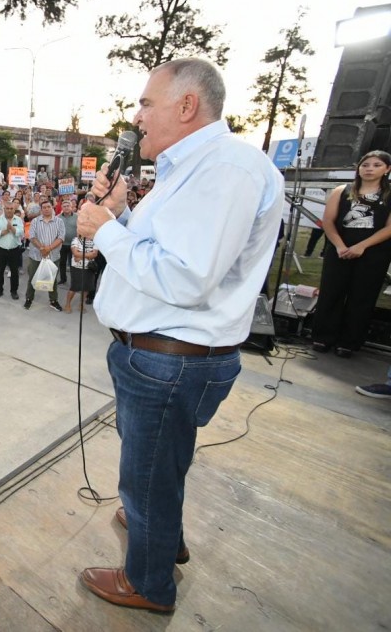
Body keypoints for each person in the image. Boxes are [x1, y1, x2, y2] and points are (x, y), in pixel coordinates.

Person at [75, 58, 283, 613]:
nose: (137, 116)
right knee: (160, 464)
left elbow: (184, 276)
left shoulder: (227, 169)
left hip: (171, 359)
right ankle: (161, 531)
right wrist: (119, 213)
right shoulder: (190, 169)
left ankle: (148, 582)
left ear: (186, 105)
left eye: (146, 103)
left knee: (146, 473)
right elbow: (169, 251)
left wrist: (106, 230)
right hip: (159, 355)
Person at [310, 150, 391, 358]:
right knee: (332, 292)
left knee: (362, 296)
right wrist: (339, 245)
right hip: (340, 248)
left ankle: (349, 341)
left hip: (373, 253)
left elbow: (388, 227)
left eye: (376, 165)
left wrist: (362, 246)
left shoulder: (389, 194)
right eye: (365, 165)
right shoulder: (342, 190)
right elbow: (328, 221)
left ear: (387, 169)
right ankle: (322, 336)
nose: (369, 169)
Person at [24, 200, 65, 311]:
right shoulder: (35, 221)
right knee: (32, 277)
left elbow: (61, 237)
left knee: (52, 280)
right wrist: (42, 248)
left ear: (52, 208)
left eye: (48, 207)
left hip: (53, 256)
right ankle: (29, 299)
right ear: (41, 210)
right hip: (36, 256)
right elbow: (32, 236)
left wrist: (49, 248)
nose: (46, 209)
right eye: (44, 207)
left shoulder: (59, 221)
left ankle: (53, 300)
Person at [0, 201, 25, 300]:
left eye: (11, 208)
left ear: (14, 209)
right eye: (7, 208)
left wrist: (13, 229)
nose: (9, 210)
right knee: (0, 270)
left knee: (14, 271)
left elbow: (21, 232)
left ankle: (14, 291)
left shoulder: (18, 219)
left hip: (14, 249)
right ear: (4, 209)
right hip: (0, 249)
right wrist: (6, 231)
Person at [64, 235, 97, 313]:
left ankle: (81, 304)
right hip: (77, 267)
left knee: (86, 288)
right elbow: (75, 253)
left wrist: (80, 256)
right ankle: (67, 304)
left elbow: (95, 254)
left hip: (89, 268)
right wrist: (89, 255)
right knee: (74, 287)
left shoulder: (94, 241)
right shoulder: (76, 240)